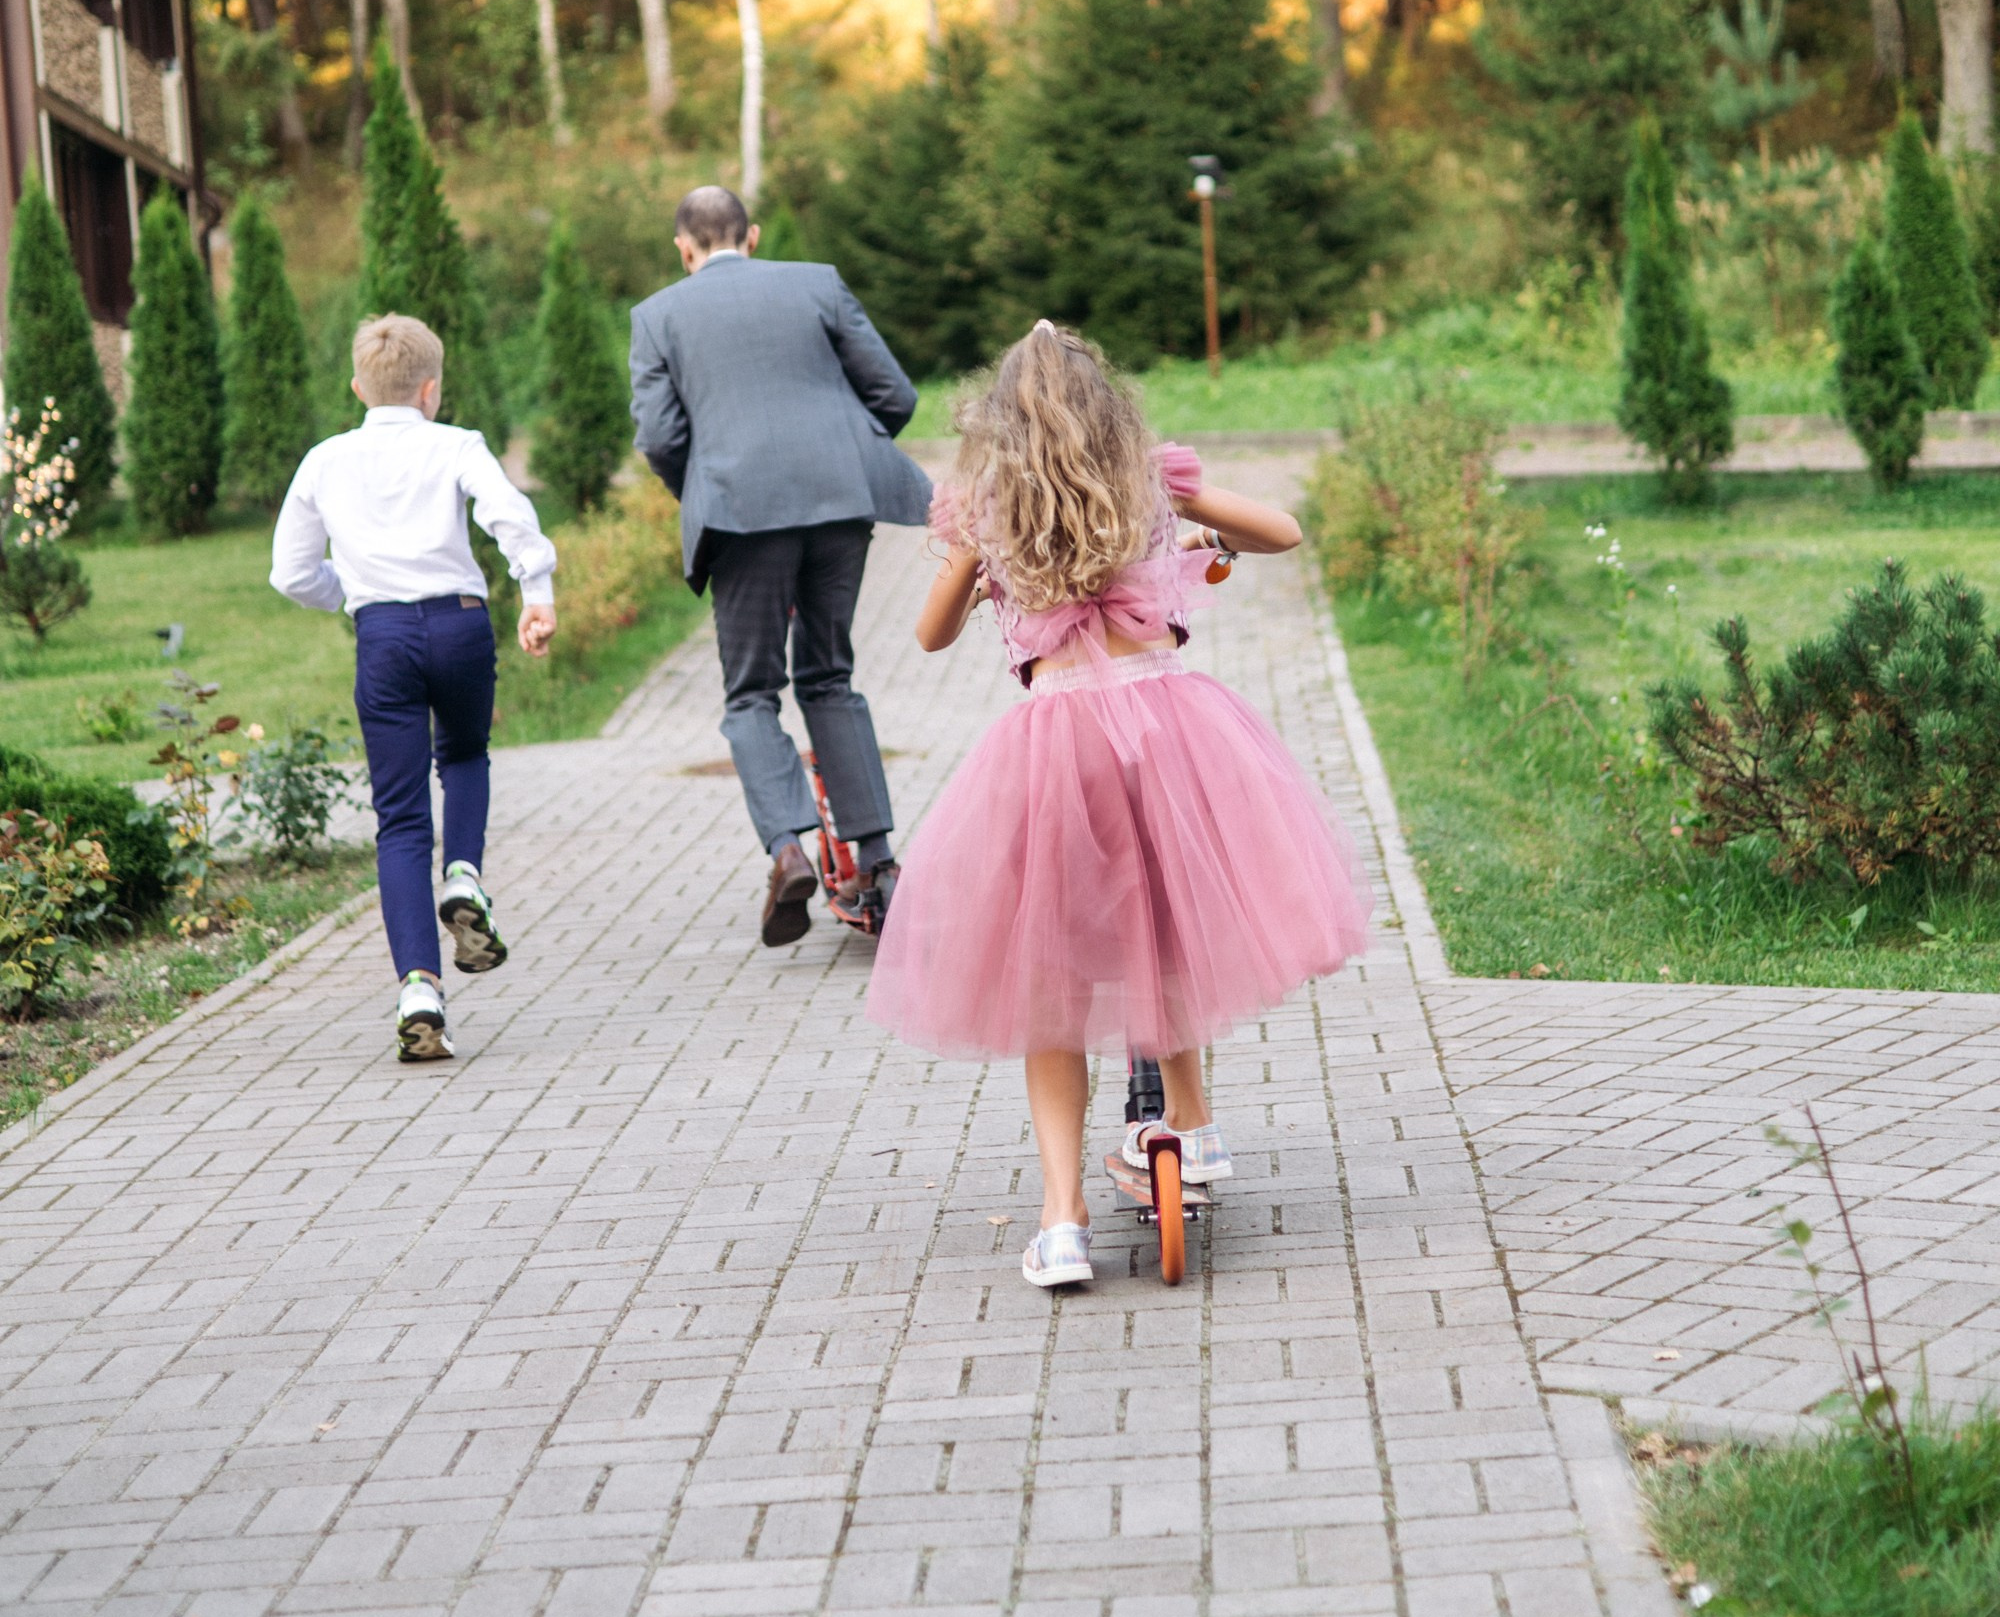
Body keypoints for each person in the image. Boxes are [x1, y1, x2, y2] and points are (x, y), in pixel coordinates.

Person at [865, 320, 1372, 1292]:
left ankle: (1061, 1225)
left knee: (1047, 980)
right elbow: (1282, 531)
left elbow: (928, 638)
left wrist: (974, 575)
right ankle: (1194, 1126)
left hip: (1054, 745)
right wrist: (1199, 525)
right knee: (1168, 926)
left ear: (998, 427)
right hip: (1170, 727)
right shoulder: (1148, 481)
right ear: (1108, 411)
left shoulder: (987, 509)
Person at [629, 185, 931, 944]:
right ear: (752, 235)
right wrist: (842, 448)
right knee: (829, 675)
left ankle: (790, 849)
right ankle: (881, 859)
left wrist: (706, 486)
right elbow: (894, 393)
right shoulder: (817, 282)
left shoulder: (657, 316)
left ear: (683, 248)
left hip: (740, 515)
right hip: (840, 503)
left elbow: (661, 438)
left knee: (750, 695)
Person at [271, 312, 557, 1065]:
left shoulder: (326, 460)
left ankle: (420, 991)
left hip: (385, 639)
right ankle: (463, 875)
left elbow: (290, 572)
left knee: (399, 820)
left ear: (359, 386)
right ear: (431, 389)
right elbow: (508, 515)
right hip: (461, 627)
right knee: (463, 756)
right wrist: (539, 592)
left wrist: (351, 590)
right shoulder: (455, 444)